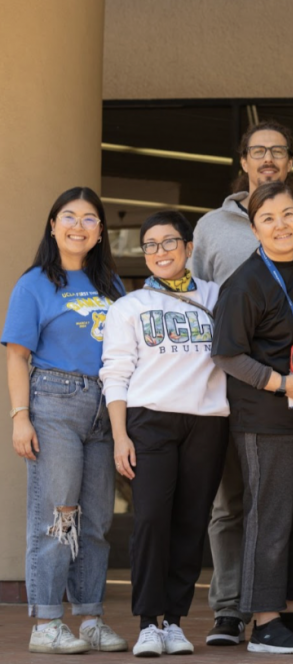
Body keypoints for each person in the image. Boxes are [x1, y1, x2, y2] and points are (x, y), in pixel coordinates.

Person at [191, 119, 293, 647]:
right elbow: (226, 353)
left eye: (288, 215)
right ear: (254, 228)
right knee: (267, 515)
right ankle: (264, 619)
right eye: (268, 218)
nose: (280, 225)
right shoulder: (245, 281)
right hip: (264, 413)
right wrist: (280, 384)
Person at [2, 187, 128, 654]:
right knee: (59, 517)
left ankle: (90, 617)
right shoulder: (34, 283)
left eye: (90, 218)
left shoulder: (113, 285)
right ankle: (46, 624)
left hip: (105, 403)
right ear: (53, 226)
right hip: (53, 401)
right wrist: (20, 418)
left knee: (95, 522)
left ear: (100, 233)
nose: (79, 225)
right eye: (69, 217)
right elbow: (17, 356)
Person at [99, 211, 229, 657]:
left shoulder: (217, 296)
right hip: (149, 419)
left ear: (189, 248)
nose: (159, 252)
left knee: (191, 523)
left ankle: (174, 621)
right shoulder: (129, 306)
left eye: (169, 242)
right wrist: (120, 436)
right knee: (152, 519)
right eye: (150, 245)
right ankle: (147, 624)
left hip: (208, 421)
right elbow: (114, 374)